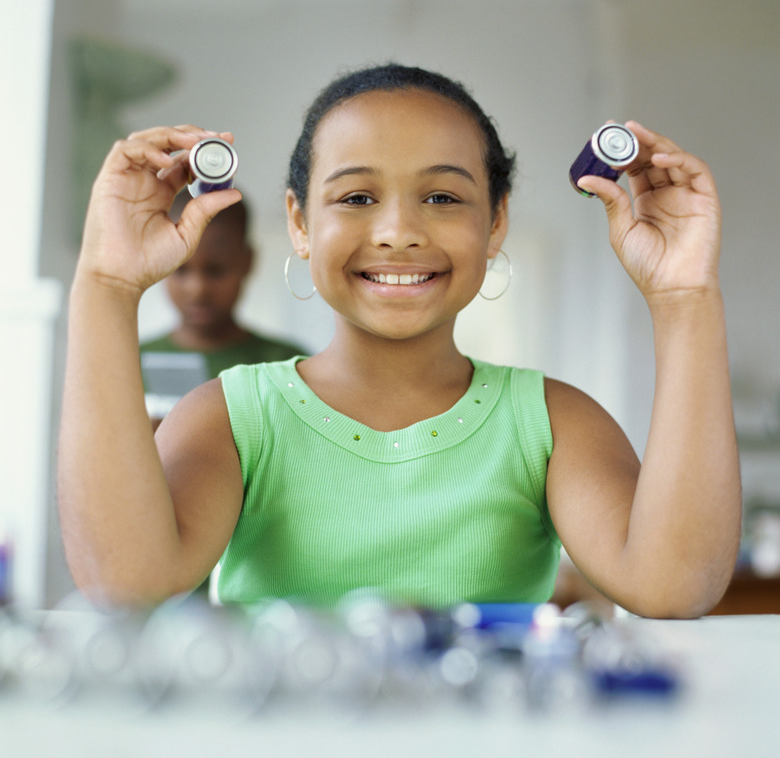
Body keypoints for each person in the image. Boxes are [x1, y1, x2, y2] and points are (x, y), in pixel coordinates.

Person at [58, 64, 742, 617]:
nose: (398, 231)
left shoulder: (554, 423)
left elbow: (676, 587)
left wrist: (684, 300)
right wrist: (104, 285)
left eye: (442, 198)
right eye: (356, 197)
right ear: (299, 221)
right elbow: (126, 583)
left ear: (496, 221)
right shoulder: (231, 417)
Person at [139, 195, 303, 425]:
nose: (198, 290)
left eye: (216, 271)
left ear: (247, 262)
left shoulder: (288, 366)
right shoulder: (131, 364)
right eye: (180, 270)